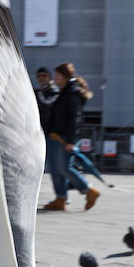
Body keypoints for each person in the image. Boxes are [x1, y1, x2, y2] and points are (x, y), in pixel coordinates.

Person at [42, 62, 99, 211]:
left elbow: (75, 118)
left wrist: (71, 141)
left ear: (64, 76)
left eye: (57, 75)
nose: (55, 78)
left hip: (65, 138)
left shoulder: (72, 93)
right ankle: (61, 198)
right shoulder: (63, 92)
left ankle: (89, 191)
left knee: (64, 168)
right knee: (55, 169)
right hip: (56, 136)